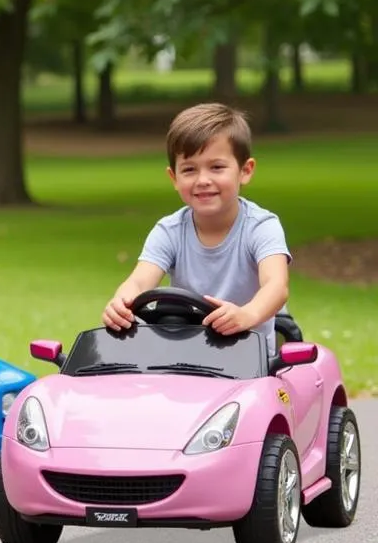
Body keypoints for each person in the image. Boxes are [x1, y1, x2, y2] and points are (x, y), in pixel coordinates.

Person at [102, 102, 291, 355]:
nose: (203, 180)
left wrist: (248, 314)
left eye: (216, 167)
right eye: (189, 169)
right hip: (183, 358)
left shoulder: (261, 227)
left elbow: (276, 286)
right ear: (174, 178)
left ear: (245, 171)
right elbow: (138, 281)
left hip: (250, 361)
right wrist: (121, 303)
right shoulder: (169, 231)